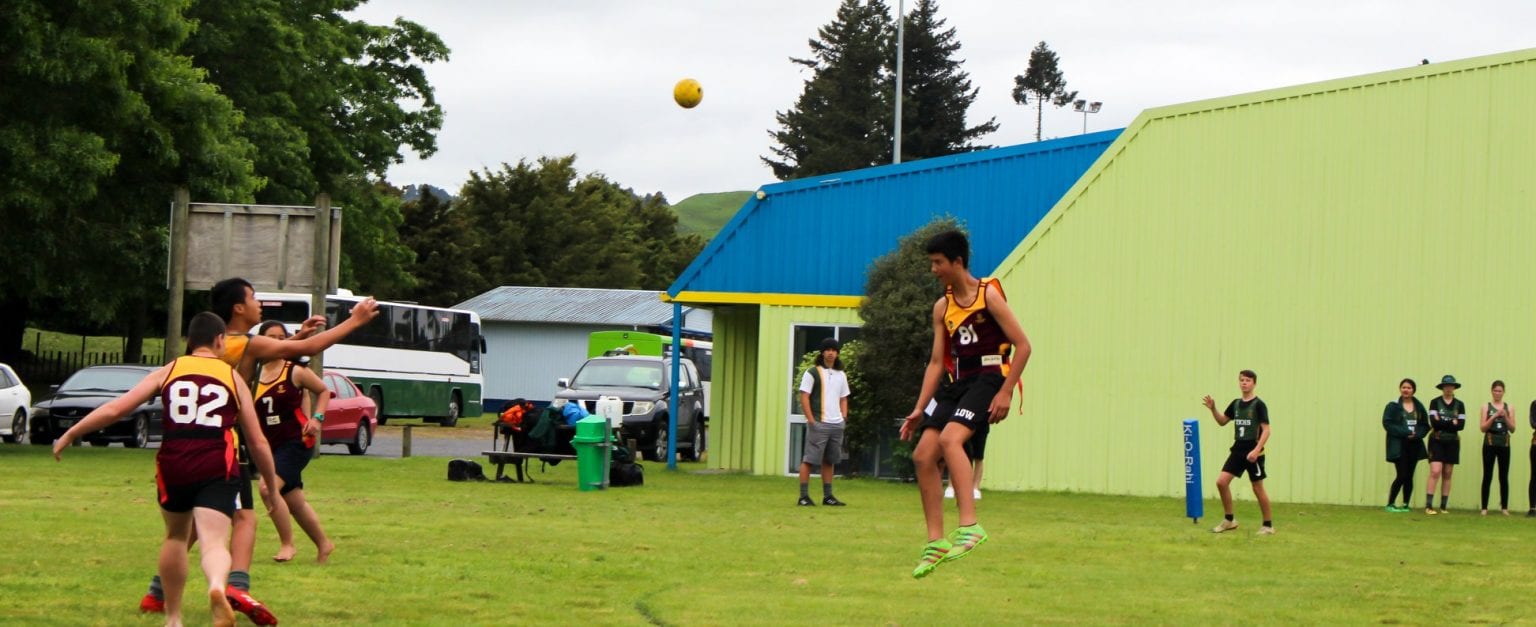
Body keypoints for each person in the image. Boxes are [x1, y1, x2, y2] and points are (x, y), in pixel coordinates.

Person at [140, 278, 378, 623]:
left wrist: (297, 338)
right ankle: (235, 585)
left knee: (200, 524)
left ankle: (157, 592)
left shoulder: (224, 344)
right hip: (223, 449)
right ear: (238, 308)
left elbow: (270, 353)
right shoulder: (245, 344)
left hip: (184, 448)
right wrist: (354, 320)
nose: (259, 303)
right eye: (253, 298)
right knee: (243, 517)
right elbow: (286, 355)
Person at [54, 312, 279, 627]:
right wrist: (271, 484)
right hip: (216, 460)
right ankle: (216, 585)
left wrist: (71, 433)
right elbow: (257, 441)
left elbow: (117, 408)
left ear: (189, 342)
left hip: (174, 462)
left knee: (175, 536)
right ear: (219, 341)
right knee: (214, 542)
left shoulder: (169, 370)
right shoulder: (232, 377)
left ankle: (173, 618)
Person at [900, 230, 1031, 579]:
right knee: (923, 455)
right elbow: (935, 362)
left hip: (988, 378)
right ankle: (936, 542)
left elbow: (1024, 345)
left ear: (957, 262)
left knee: (950, 440)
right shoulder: (941, 307)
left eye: (938, 263)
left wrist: (1004, 392)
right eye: (932, 263)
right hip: (956, 384)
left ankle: (970, 525)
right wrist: (919, 407)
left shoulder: (989, 296)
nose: (933, 270)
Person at [254, 320, 337, 561]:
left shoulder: (295, 370)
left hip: (296, 442)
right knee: (294, 500)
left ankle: (287, 544)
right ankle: (324, 544)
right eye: (272, 337)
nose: (278, 343)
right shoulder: (253, 373)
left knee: (267, 489)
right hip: (269, 445)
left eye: (282, 337)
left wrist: (317, 419)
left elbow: (323, 391)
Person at [1201, 370, 1275, 535]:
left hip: (1253, 451)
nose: (1244, 383)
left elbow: (1267, 430)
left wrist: (1256, 450)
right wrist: (1213, 409)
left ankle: (1268, 525)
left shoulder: (1258, 405)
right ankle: (1229, 520)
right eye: (1242, 380)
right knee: (1221, 482)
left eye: (1248, 380)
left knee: (1257, 487)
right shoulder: (1235, 404)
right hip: (1238, 449)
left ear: (1254, 383)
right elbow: (1222, 421)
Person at [796, 337, 850, 507]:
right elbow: (804, 396)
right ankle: (803, 497)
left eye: (834, 350)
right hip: (819, 422)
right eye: (827, 350)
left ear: (837, 353)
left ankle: (828, 497)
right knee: (809, 459)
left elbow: (843, 398)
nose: (831, 353)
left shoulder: (841, 375)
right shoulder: (812, 372)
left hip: (836, 424)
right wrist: (811, 420)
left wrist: (843, 417)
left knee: (830, 460)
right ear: (822, 352)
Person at [1382, 378, 1428, 512]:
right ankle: (1390, 504)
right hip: (1398, 444)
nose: (1406, 390)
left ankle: (1405, 504)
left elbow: (1425, 425)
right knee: (1402, 474)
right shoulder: (1393, 405)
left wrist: (1417, 434)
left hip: (1414, 445)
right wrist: (1405, 432)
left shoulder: (1419, 406)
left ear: (1413, 390)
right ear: (1400, 389)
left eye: (1409, 388)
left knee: (1409, 475)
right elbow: (1388, 423)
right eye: (1404, 387)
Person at [1425, 375, 1466, 515]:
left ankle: (1443, 506)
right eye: (1446, 386)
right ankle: (1429, 505)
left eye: (1450, 386)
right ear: (1442, 387)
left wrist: (1443, 422)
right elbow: (1434, 423)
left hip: (1452, 442)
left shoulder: (1460, 405)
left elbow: (1461, 426)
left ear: (1454, 387)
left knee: (1447, 473)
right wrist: (1451, 423)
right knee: (1435, 471)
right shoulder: (1434, 402)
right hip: (1436, 440)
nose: (1448, 388)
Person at [1478, 380, 1516, 516]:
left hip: (1504, 442)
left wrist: (1505, 416)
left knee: (1503, 476)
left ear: (1504, 392)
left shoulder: (1509, 407)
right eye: (1495, 390)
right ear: (1492, 391)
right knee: (1487, 475)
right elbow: (1482, 428)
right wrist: (1493, 416)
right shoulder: (1486, 406)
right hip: (1489, 442)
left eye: (1500, 391)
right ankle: (1484, 507)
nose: (1497, 393)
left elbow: (1513, 428)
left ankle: (1504, 507)